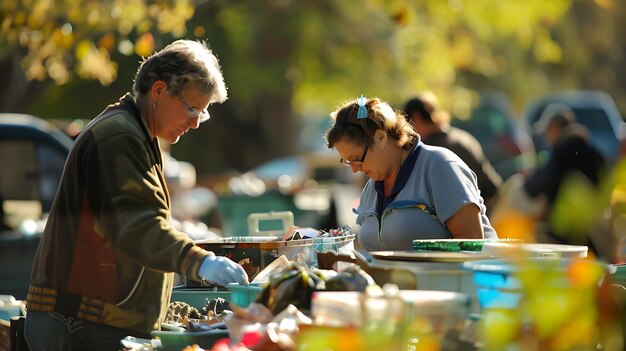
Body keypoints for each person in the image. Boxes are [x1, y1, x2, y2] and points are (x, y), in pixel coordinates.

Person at [24, 39, 249, 350]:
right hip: (79, 323)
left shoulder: (136, 132)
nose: (196, 122)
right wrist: (199, 261)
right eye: (192, 108)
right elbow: (136, 224)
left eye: (203, 113)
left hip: (90, 320)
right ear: (158, 90)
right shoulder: (120, 135)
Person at [325, 95, 497, 251]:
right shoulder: (372, 187)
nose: (355, 169)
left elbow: (471, 242)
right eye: (347, 162)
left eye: (356, 158)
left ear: (380, 138)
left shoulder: (439, 165)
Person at [403, 92, 502, 210]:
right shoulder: (464, 138)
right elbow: (491, 186)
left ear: (416, 117)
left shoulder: (428, 149)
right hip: (481, 212)